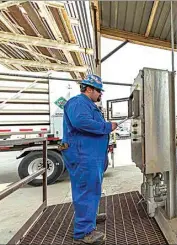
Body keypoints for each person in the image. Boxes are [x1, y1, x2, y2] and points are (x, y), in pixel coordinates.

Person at [61, 74, 117, 244]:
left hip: (89, 155)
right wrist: (107, 126)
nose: (101, 95)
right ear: (89, 89)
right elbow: (81, 122)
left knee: (92, 188)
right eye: (99, 91)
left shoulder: (88, 105)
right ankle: (83, 232)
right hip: (83, 156)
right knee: (86, 190)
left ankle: (89, 218)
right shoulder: (78, 102)